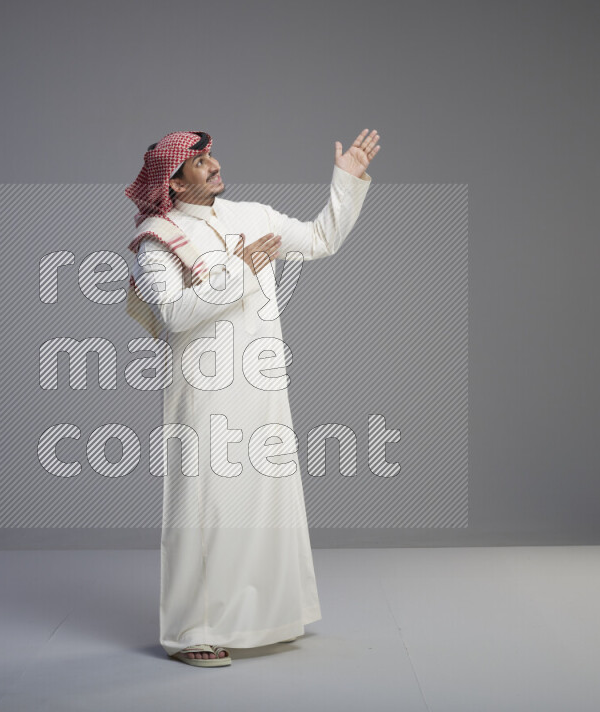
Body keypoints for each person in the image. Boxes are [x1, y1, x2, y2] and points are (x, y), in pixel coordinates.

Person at [125, 129, 380, 667]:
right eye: (197, 163)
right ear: (171, 182)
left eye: (210, 156)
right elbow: (173, 316)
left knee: (266, 499)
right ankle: (192, 632)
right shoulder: (156, 238)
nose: (213, 165)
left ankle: (268, 618)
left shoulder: (253, 215)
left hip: (262, 382)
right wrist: (242, 273)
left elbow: (320, 240)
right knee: (203, 507)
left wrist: (347, 182)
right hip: (204, 390)